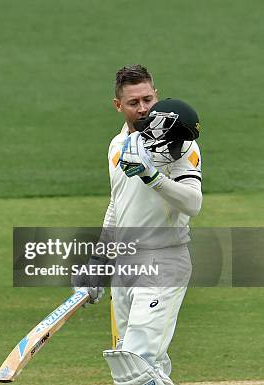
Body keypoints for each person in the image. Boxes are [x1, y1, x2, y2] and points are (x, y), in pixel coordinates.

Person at [75, 64, 203, 385]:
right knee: (144, 367)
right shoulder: (116, 147)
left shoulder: (179, 145)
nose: (143, 108)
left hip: (163, 260)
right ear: (118, 106)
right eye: (134, 103)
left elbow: (193, 203)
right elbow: (117, 207)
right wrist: (98, 262)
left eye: (148, 99)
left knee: (134, 371)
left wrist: (153, 176)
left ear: (156, 95)